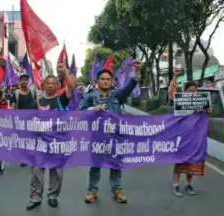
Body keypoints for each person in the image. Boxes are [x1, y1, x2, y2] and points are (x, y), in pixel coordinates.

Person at [79, 59, 141, 204]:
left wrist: (137, 71)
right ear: (97, 81)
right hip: (97, 136)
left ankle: (117, 190)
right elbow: (80, 112)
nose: (105, 81)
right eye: (102, 79)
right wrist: (92, 110)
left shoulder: (117, 95)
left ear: (112, 81)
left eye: (108, 79)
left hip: (115, 136)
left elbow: (130, 86)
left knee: (115, 164)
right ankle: (92, 191)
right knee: (95, 165)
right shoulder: (89, 97)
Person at [26, 62, 76, 211]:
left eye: (53, 83)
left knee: (56, 173)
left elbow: (72, 86)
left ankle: (53, 196)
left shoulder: (61, 99)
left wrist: (64, 71)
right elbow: (27, 120)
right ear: (43, 85)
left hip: (57, 143)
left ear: (57, 85)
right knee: (36, 172)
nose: (50, 85)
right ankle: (35, 198)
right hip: (40, 143)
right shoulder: (37, 101)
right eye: (47, 83)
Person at [168, 69, 212, 197]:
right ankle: (175, 185)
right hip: (181, 138)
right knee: (180, 161)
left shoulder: (202, 103)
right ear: (185, 91)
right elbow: (171, 93)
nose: (192, 93)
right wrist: (175, 76)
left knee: (193, 162)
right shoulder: (180, 102)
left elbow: (208, 116)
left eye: (194, 91)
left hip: (196, 139)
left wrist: (208, 111)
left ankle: (188, 184)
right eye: (189, 91)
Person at [10, 74, 37, 167]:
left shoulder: (33, 93)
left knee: (30, 138)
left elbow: (36, 105)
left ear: (28, 82)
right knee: (22, 139)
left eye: (26, 80)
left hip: (31, 121)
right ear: (19, 82)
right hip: (20, 121)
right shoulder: (16, 93)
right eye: (22, 80)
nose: (24, 81)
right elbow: (13, 106)